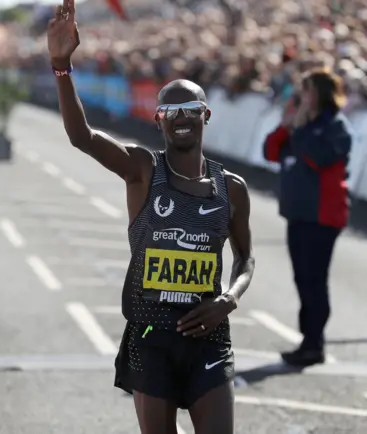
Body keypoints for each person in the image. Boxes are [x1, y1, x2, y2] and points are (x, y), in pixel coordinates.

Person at [47, 1, 255, 433]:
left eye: (190, 112)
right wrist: (61, 66)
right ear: (157, 119)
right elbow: (80, 136)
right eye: (171, 113)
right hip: (151, 335)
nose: (181, 120)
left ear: (205, 117)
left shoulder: (230, 187)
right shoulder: (142, 170)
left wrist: (229, 299)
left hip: (208, 336)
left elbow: (245, 258)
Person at [263, 68, 352, 367]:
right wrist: (286, 126)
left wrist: (298, 128)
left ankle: (314, 342)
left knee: (315, 279)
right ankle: (308, 340)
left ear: (322, 95)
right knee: (302, 278)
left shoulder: (335, 127)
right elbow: (271, 151)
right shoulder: (299, 126)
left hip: (323, 216)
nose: (302, 98)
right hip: (298, 213)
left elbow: (319, 158)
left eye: (308, 91)